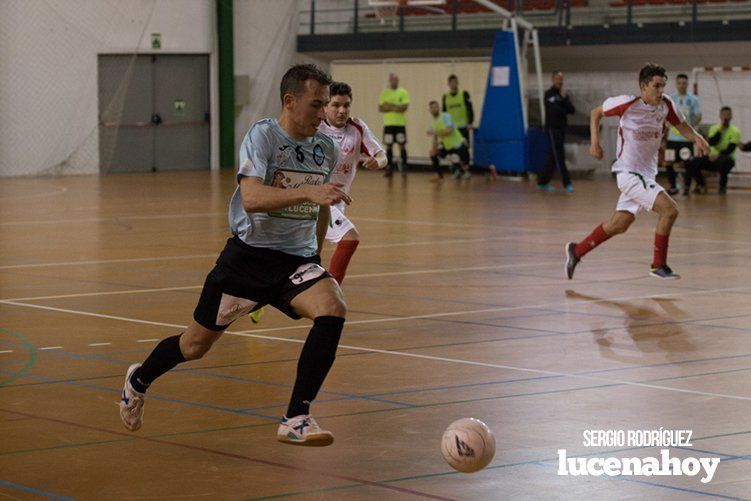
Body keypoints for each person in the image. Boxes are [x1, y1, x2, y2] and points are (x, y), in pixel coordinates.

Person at [119, 64, 351, 447]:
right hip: (247, 261)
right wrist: (309, 193)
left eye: (327, 105)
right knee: (194, 346)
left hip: (295, 261)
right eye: (316, 105)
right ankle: (138, 380)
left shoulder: (324, 147)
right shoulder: (263, 137)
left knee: (332, 306)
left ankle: (296, 416)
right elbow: (253, 198)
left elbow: (321, 205)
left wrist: (317, 254)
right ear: (289, 101)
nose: (324, 114)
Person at [565, 63, 709, 280]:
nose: (661, 91)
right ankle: (658, 265)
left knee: (619, 225)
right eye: (656, 86)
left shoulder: (666, 105)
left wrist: (697, 137)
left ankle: (576, 251)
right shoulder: (626, 103)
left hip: (646, 174)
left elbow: (682, 125)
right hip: (629, 173)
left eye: (663, 86)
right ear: (643, 86)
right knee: (669, 210)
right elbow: (596, 113)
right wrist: (594, 143)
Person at [318, 81, 387, 284]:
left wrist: (379, 161)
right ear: (325, 106)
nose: (342, 110)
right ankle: (331, 294)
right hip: (317, 200)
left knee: (306, 255)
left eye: (346, 105)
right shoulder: (315, 127)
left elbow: (382, 154)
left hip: (337, 203)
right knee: (350, 238)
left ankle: (257, 297)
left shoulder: (356, 127)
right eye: (336, 105)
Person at [683, 106, 741, 195]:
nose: (725, 117)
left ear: (731, 117)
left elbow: (731, 148)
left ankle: (722, 186)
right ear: (720, 116)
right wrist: (720, 131)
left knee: (724, 161)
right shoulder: (714, 128)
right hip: (711, 157)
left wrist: (718, 155)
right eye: (723, 115)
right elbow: (712, 143)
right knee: (691, 162)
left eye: (728, 115)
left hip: (726, 158)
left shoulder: (735, 131)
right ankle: (700, 184)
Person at [537, 70, 576, 192]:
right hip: (552, 130)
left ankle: (542, 182)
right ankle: (567, 183)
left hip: (561, 129)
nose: (560, 81)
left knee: (552, 158)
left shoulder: (563, 95)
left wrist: (564, 99)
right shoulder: (549, 94)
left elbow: (571, 110)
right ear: (553, 79)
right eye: (557, 78)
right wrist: (563, 105)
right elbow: (556, 110)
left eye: (561, 79)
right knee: (559, 156)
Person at [665, 73, 702, 195]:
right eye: (679, 83)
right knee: (669, 161)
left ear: (687, 84)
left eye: (684, 83)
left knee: (688, 163)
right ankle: (673, 186)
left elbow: (698, 116)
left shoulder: (693, 99)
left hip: (686, 138)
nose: (682, 85)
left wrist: (690, 127)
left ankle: (686, 187)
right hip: (672, 138)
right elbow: (665, 115)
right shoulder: (671, 99)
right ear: (676, 83)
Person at [428, 100, 471, 181]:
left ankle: (461, 170)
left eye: (436, 107)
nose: (434, 109)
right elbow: (435, 138)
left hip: (458, 145)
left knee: (465, 169)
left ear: (439, 108)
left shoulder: (445, 116)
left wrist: (436, 132)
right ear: (429, 110)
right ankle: (439, 175)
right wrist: (434, 150)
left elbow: (449, 130)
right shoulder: (432, 123)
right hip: (448, 146)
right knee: (432, 153)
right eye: (432, 108)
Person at [378, 73, 410, 177]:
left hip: (400, 124)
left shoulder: (403, 92)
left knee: (402, 145)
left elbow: (404, 107)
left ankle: (404, 167)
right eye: (392, 80)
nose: (394, 81)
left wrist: (389, 106)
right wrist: (396, 107)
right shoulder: (385, 93)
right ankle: (389, 168)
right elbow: (381, 108)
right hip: (389, 124)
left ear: (398, 80)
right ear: (389, 81)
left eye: (396, 79)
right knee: (389, 146)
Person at [442, 74, 474, 153]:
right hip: (452, 128)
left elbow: (470, 109)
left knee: (464, 148)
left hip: (463, 126)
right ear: (448, 84)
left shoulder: (464, 94)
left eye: (455, 82)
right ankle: (454, 165)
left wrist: (470, 122)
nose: (453, 84)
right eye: (451, 82)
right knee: (453, 148)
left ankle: (465, 164)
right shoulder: (445, 96)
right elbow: (444, 112)